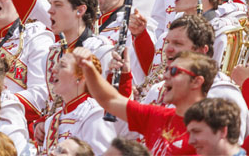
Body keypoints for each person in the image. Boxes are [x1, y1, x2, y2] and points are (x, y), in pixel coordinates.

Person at [80, 48, 217, 156]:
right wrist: (88, 68)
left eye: (175, 71)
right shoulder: (159, 116)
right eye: (167, 69)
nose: (165, 75)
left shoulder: (211, 132)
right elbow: (109, 100)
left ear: (196, 82)